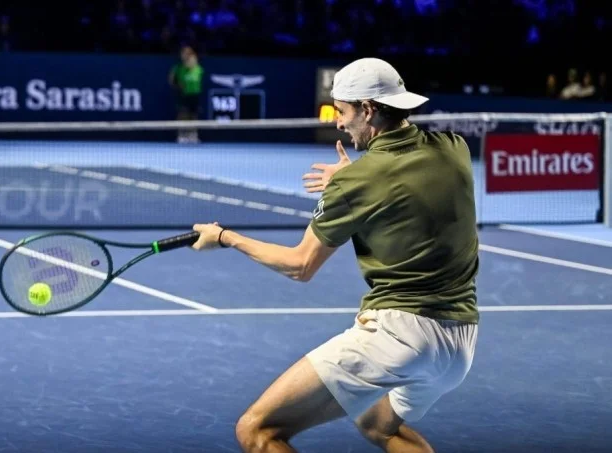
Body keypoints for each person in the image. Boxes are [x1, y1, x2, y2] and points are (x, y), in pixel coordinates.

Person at [191, 57, 480, 452]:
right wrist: (351, 178)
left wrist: (225, 237)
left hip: (400, 335)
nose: (338, 123)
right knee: (379, 425)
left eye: (342, 111)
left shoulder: (356, 182)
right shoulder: (454, 149)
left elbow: (300, 266)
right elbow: (400, 181)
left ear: (368, 110)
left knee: (257, 430)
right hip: (459, 343)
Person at [168, 46, 204, 143]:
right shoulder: (179, 68)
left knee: (194, 116)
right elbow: (171, 80)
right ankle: (182, 135)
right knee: (183, 115)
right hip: (183, 95)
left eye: (189, 54)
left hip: (195, 95)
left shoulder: (198, 69)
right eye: (184, 53)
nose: (187, 56)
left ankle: (193, 135)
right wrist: (178, 85)